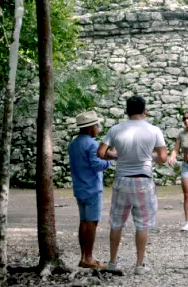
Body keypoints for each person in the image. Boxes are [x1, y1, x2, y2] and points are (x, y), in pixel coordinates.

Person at [97, 95, 167, 276]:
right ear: (145, 111)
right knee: (142, 224)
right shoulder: (154, 130)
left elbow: (101, 152)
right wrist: (152, 158)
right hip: (143, 179)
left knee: (116, 223)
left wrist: (116, 156)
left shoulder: (115, 129)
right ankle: (139, 264)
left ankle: (112, 261)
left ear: (127, 111)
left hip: (122, 179)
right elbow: (163, 157)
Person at [68, 112, 115, 269]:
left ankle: (84, 256)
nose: (98, 128)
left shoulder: (73, 144)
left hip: (79, 188)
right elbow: (96, 165)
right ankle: (88, 257)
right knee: (92, 223)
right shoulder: (92, 144)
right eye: (96, 125)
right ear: (89, 128)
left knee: (83, 222)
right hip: (92, 189)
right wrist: (110, 162)